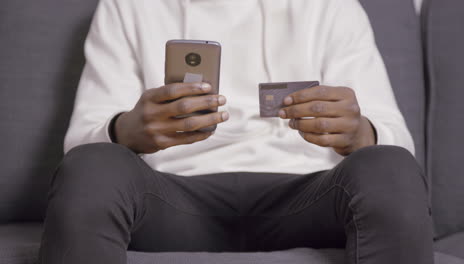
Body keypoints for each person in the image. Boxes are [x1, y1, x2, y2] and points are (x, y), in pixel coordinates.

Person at [38, 0, 434, 263]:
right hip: (171, 199)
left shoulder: (331, 6)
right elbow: (79, 148)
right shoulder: (128, 5)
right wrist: (126, 129)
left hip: (309, 198)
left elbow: (399, 147)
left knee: (390, 168)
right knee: (92, 167)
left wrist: (359, 132)